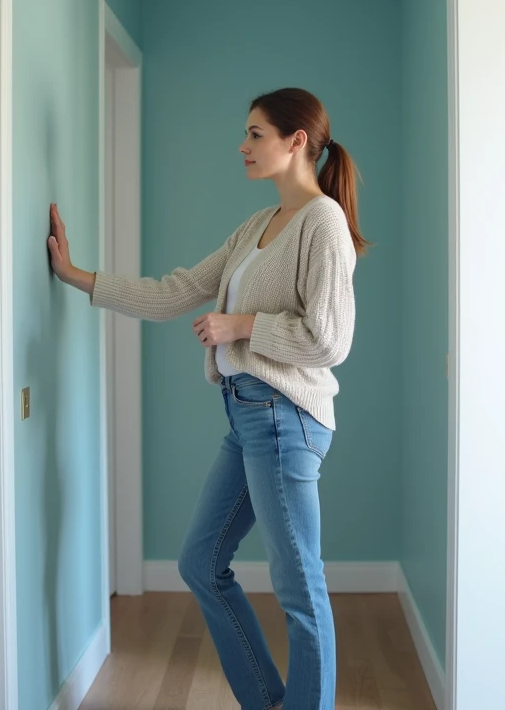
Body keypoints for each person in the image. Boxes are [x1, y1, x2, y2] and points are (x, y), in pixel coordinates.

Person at [47, 87, 367, 710]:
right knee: (201, 563)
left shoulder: (322, 222)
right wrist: (76, 275)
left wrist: (243, 325)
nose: (242, 146)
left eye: (255, 134)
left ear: (296, 141)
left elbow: (331, 341)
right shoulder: (258, 226)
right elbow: (179, 290)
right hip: (249, 417)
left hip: (284, 419)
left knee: (301, 591)